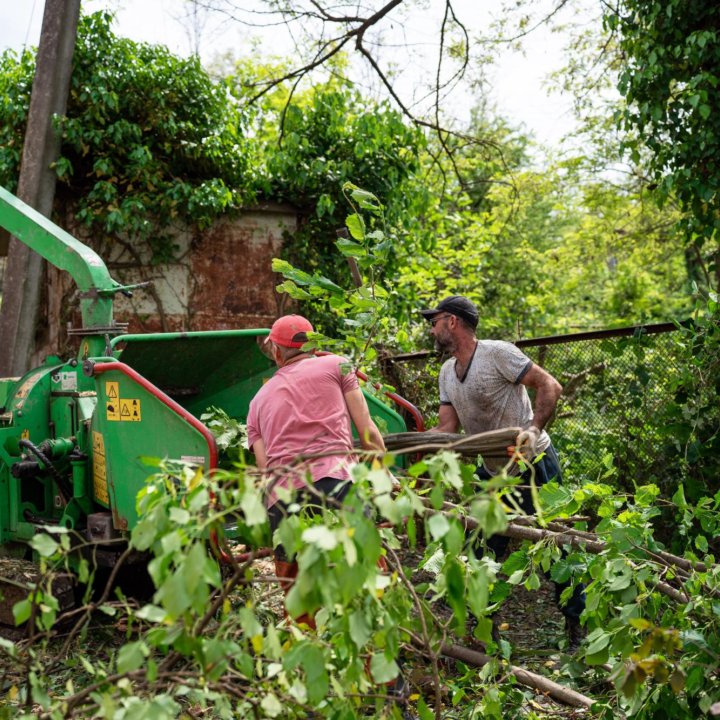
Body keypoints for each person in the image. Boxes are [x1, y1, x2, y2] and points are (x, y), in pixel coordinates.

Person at [421, 295, 585, 650]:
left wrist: (533, 428)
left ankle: (578, 629)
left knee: (554, 545)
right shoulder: (447, 372)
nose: (431, 329)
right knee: (480, 547)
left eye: (434, 322)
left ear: (452, 321)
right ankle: (484, 631)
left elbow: (550, 385)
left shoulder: (497, 353)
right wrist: (411, 442)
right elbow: (447, 428)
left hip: (533, 465)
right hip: (492, 471)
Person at [246, 314, 386, 627]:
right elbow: (369, 434)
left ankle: (307, 667)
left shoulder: (256, 403)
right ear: (313, 345)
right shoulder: (337, 366)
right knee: (365, 585)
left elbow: (264, 469)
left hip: (283, 505)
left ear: (277, 353)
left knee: (300, 602)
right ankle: (375, 670)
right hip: (336, 488)